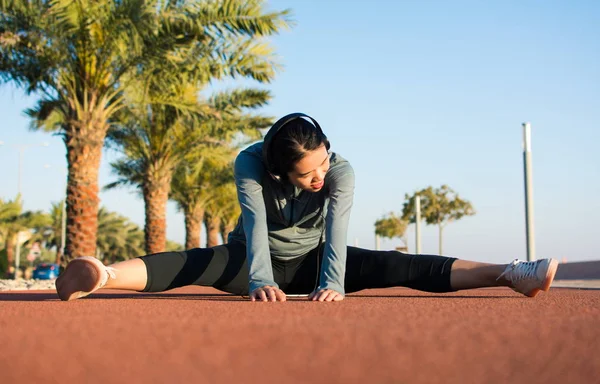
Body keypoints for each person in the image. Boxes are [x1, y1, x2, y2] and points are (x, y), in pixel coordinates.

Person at [56, 112, 559, 302]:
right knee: (199, 260)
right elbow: (254, 225)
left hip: (318, 259)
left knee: (394, 263)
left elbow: (337, 229)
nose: (321, 175)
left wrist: (332, 284)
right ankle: (101, 276)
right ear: (280, 173)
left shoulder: (340, 170)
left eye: (323, 162)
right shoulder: (251, 165)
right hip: (253, 261)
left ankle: (511, 273)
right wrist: (260, 280)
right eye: (309, 173)